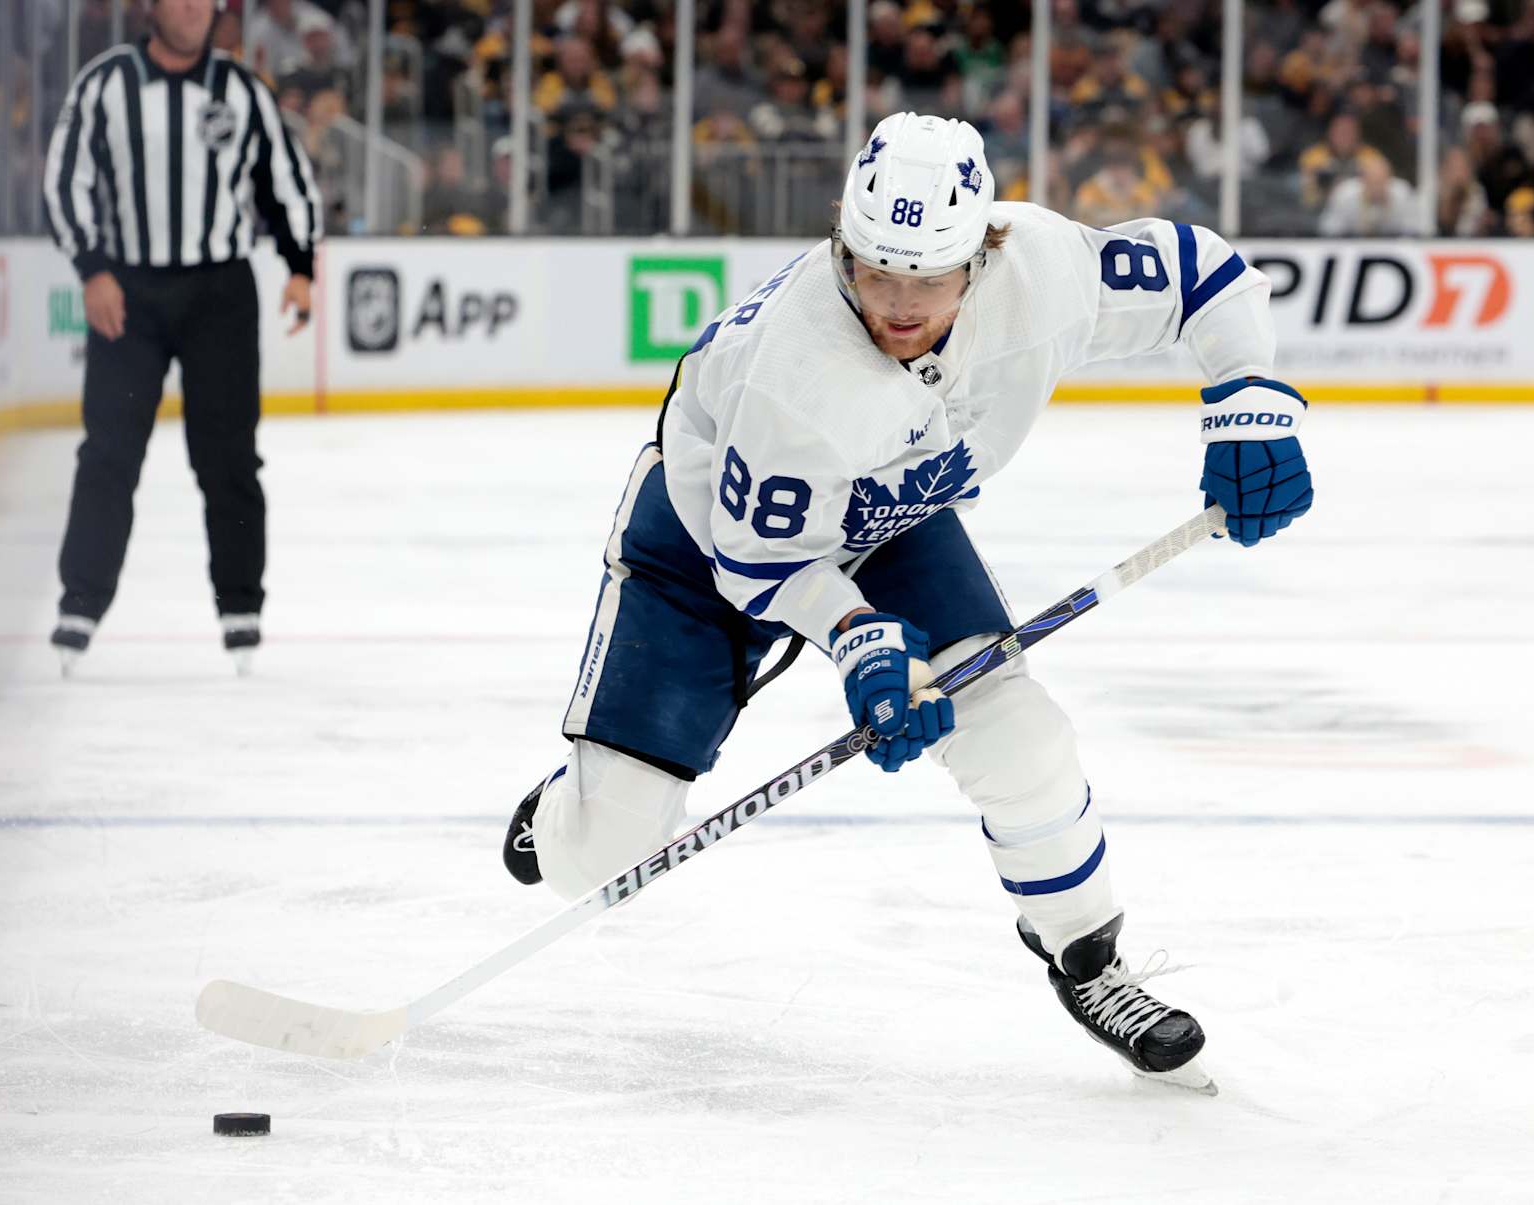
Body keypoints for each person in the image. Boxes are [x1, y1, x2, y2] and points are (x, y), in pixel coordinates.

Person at [502, 113, 1312, 1088]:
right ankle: (563, 814)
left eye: (929, 277)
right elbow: (759, 562)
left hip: (893, 519)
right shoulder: (795, 372)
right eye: (875, 270)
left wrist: (1249, 404)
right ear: (842, 241)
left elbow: (1205, 274)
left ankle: (1089, 959)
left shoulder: (1046, 269)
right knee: (604, 853)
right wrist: (861, 643)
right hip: (706, 542)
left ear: (984, 251)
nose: (898, 303)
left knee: (1023, 739)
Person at [42, 0, 323, 673]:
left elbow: (284, 181)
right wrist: (94, 269)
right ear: (152, 7)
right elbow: (64, 181)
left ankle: (240, 608)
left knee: (228, 457)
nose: (195, 8)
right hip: (128, 296)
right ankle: (80, 603)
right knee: (109, 452)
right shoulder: (106, 83)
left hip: (219, 294)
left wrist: (301, 267)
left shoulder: (240, 90)